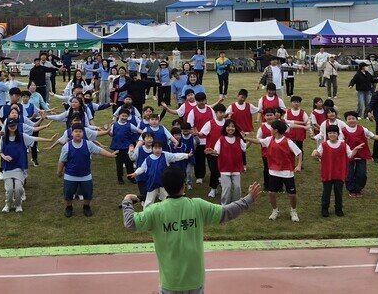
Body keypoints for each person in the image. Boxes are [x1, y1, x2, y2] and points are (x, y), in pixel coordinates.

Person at [122, 167, 260, 294]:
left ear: (164, 187)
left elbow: (130, 222)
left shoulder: (155, 211)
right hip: (195, 281)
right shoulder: (197, 206)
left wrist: (127, 201)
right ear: (183, 186)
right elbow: (227, 212)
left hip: (170, 282)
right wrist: (248, 199)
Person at [57, 124, 118, 217]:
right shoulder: (66, 147)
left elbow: (99, 150)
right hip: (70, 176)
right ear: (71, 134)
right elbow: (61, 161)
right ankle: (68, 207)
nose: (78, 133)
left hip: (86, 176)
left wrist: (111, 155)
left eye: (80, 131)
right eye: (76, 131)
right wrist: (59, 172)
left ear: (83, 133)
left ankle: (86, 207)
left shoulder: (88, 144)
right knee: (68, 194)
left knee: (88, 194)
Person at [312, 125, 364, 217]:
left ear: (338, 134)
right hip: (327, 173)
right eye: (330, 133)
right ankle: (325, 209)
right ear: (327, 134)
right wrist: (315, 153)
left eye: (334, 133)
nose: (332, 135)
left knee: (338, 192)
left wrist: (355, 149)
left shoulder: (344, 145)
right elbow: (318, 155)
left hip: (339, 173)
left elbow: (350, 155)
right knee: (326, 192)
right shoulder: (323, 145)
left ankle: (338, 209)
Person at [257, 119, 302, 222]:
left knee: (292, 194)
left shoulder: (288, 141)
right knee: (271, 193)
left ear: (276, 130)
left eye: (272, 128)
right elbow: (258, 141)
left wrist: (299, 165)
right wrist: (245, 138)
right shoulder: (269, 139)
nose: (270, 130)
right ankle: (275, 210)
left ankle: (293, 211)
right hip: (273, 171)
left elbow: (299, 153)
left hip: (287, 172)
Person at [129, 140, 191, 207]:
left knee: (166, 197)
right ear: (152, 149)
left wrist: (187, 155)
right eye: (155, 148)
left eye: (159, 148)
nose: (158, 150)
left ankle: (168, 209)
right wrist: (135, 173)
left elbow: (175, 156)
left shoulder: (165, 155)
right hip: (152, 182)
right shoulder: (148, 159)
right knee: (150, 199)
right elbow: (142, 168)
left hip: (163, 182)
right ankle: (147, 212)